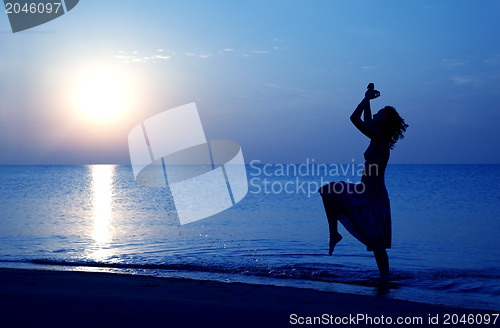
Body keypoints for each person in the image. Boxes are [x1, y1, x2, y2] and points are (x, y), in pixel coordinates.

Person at [318, 83, 408, 277]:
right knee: (327, 191)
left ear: (383, 124)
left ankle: (385, 278)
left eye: (379, 115)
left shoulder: (381, 141)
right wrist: (366, 98)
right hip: (362, 192)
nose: (374, 116)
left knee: (378, 247)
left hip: (375, 199)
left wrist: (366, 99)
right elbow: (367, 120)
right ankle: (334, 234)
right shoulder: (375, 138)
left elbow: (354, 119)